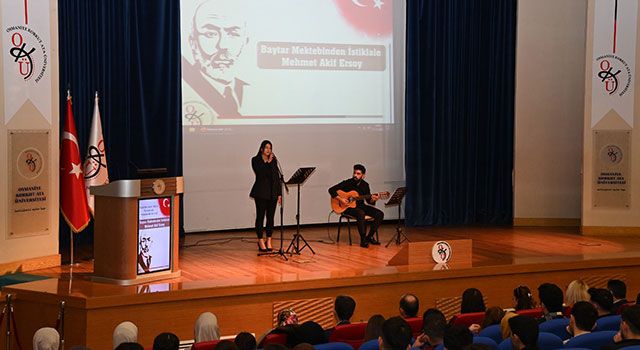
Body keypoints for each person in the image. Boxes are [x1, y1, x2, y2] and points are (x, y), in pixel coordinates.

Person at [183, 0, 250, 118]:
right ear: (193, 43)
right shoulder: (183, 86)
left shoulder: (251, 90)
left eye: (233, 34)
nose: (223, 45)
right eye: (210, 34)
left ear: (245, 42)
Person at [329, 164, 384, 248]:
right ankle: (363, 240)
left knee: (380, 214)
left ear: (363, 175)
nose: (355, 175)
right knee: (360, 213)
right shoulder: (348, 182)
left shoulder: (365, 185)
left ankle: (369, 237)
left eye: (358, 174)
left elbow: (369, 201)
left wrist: (373, 199)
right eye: (354, 173)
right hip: (347, 207)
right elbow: (331, 190)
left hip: (360, 205)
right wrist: (341, 199)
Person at [250, 140, 282, 252]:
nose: (269, 150)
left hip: (272, 194)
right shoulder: (255, 160)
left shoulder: (273, 161)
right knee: (260, 217)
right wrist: (267, 162)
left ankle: (269, 240)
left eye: (270, 148)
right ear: (261, 149)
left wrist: (279, 193)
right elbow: (260, 174)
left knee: (270, 218)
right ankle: (260, 240)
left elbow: (277, 178)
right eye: (267, 148)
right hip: (260, 193)